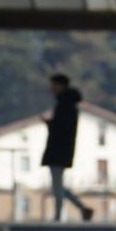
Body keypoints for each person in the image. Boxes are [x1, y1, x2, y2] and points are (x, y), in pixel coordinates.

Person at [41, 74, 93, 222]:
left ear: (60, 86)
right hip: (62, 150)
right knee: (58, 185)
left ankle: (58, 215)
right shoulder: (68, 104)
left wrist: (50, 123)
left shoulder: (65, 105)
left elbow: (61, 128)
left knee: (57, 185)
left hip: (58, 150)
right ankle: (82, 209)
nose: (51, 89)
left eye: (54, 85)